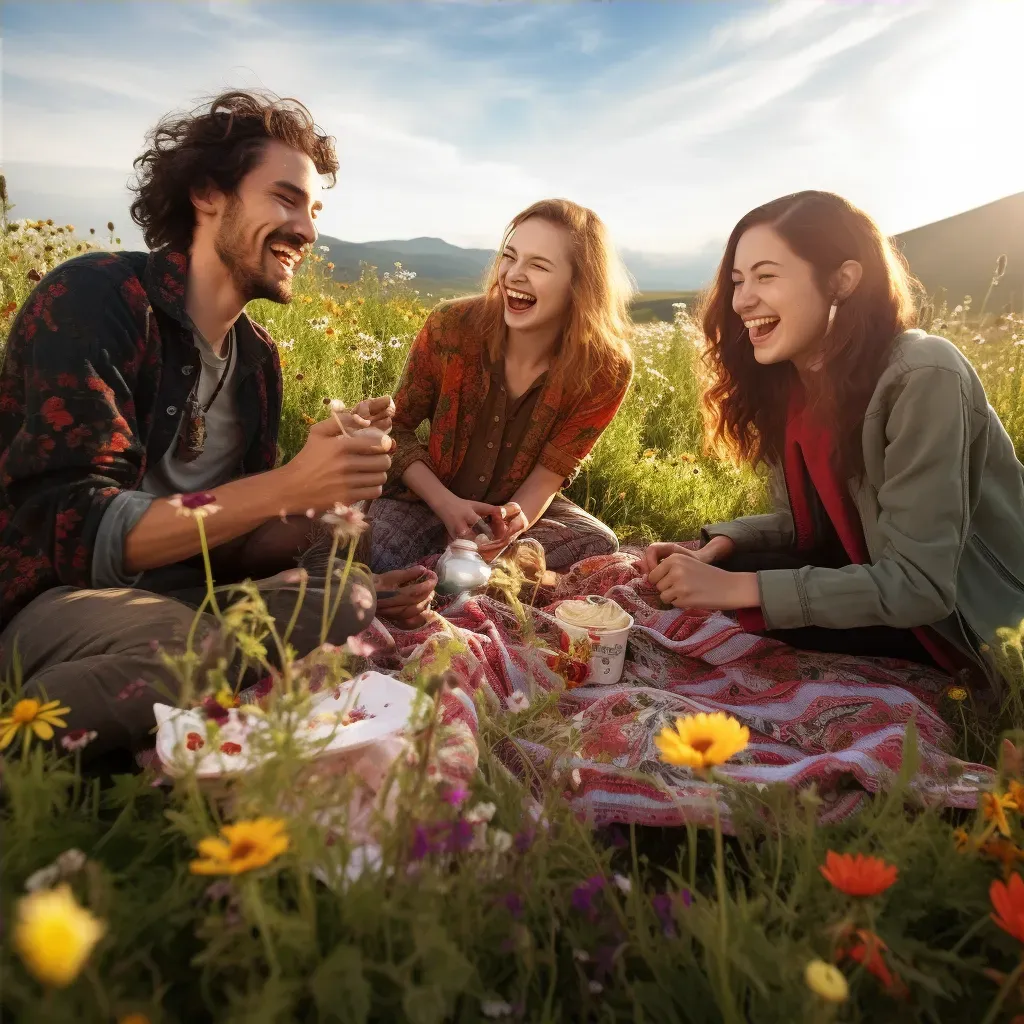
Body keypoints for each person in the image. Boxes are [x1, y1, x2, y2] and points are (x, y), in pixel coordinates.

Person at [0, 90, 433, 759]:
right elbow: (77, 530)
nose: (309, 231)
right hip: (54, 596)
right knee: (179, 645)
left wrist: (328, 491)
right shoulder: (98, 298)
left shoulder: (257, 360)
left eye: (314, 210)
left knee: (348, 595)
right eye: (286, 199)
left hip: (185, 595)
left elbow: (228, 545)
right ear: (208, 193)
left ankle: (164, 693)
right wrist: (287, 485)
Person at [640, 190, 1024, 688]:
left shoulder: (923, 374)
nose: (741, 301)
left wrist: (738, 588)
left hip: (963, 625)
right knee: (722, 585)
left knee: (734, 607)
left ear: (841, 281)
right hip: (874, 578)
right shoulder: (793, 385)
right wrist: (719, 549)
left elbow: (921, 586)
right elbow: (810, 525)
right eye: (737, 281)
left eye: (766, 276)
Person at [366, 198, 635, 574]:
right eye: (510, 256)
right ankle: (475, 572)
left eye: (539, 265)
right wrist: (447, 505)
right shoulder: (451, 325)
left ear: (580, 284)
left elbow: (550, 472)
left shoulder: (607, 368)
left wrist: (513, 524)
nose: (512, 275)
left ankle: (456, 569)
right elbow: (399, 427)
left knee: (599, 542)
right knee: (373, 553)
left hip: (510, 513)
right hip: (428, 498)